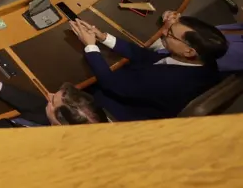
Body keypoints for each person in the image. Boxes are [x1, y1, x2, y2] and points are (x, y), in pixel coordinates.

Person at [71, 12, 227, 121]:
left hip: (122, 110)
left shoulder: (169, 81)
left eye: (170, 33)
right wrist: (104, 37)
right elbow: (147, 57)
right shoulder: (205, 60)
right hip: (141, 89)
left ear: (189, 51)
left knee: (76, 81)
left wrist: (90, 46)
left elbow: (112, 84)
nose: (164, 31)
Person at [0, 59, 106, 128]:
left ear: (59, 124)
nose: (48, 95)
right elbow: (35, 104)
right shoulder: (56, 119)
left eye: (52, 101)